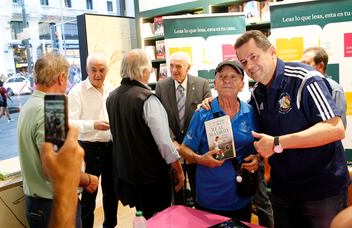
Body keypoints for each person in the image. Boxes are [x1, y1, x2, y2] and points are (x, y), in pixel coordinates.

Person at [234, 30, 349, 228]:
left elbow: (335, 128)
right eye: (244, 62)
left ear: (272, 51)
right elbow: (260, 134)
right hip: (283, 192)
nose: (250, 66)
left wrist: (278, 142)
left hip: (321, 192)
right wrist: (212, 102)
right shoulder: (257, 94)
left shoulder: (305, 78)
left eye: (254, 57)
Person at [17, 53, 99, 228]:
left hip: (36, 204)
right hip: (54, 206)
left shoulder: (29, 106)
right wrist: (88, 180)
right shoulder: (52, 108)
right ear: (61, 78)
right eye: (67, 78)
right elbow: (57, 169)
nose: (67, 83)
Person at [106, 49, 185, 219]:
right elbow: (164, 142)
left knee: (141, 216)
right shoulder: (148, 99)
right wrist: (178, 169)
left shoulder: (111, 97)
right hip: (151, 177)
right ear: (143, 71)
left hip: (127, 174)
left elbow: (116, 136)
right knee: (158, 218)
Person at [179, 59, 260, 221]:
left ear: (242, 84)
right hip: (210, 197)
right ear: (214, 84)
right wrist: (200, 159)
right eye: (222, 77)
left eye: (233, 76)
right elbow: (183, 149)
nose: (227, 80)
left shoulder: (251, 112)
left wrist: (258, 158)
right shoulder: (202, 113)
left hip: (241, 196)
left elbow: (260, 145)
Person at [68, 51, 118, 228]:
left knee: (112, 192)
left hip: (111, 147)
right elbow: (69, 123)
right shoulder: (76, 92)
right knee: (89, 195)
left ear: (107, 70)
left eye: (102, 70)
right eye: (93, 70)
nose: (97, 74)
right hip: (88, 148)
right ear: (86, 70)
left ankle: (110, 225)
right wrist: (93, 125)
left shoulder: (112, 89)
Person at [155, 51, 211, 205]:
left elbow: (208, 114)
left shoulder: (202, 84)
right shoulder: (161, 86)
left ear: (188, 67)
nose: (174, 70)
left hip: (195, 148)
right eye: (171, 66)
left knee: (198, 192)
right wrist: (171, 139)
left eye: (178, 66)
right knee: (177, 191)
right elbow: (159, 118)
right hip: (171, 148)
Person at [40, 127, 85, 228]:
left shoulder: (27, 112)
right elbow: (53, 165)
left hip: (36, 203)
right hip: (51, 205)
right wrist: (65, 191)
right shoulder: (48, 120)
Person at [301, 46, 347, 129]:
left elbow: (339, 125)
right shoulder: (301, 87)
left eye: (307, 64)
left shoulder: (334, 89)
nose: (302, 68)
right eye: (301, 64)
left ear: (321, 66)